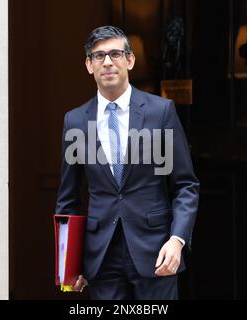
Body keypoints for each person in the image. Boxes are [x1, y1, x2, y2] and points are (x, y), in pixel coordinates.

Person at [55, 26, 199, 300]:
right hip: (100, 258)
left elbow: (185, 185)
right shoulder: (74, 121)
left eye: (115, 54)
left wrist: (176, 240)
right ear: (89, 65)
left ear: (130, 60)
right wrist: (68, 267)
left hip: (157, 254)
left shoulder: (161, 112)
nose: (107, 62)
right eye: (99, 56)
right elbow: (68, 200)